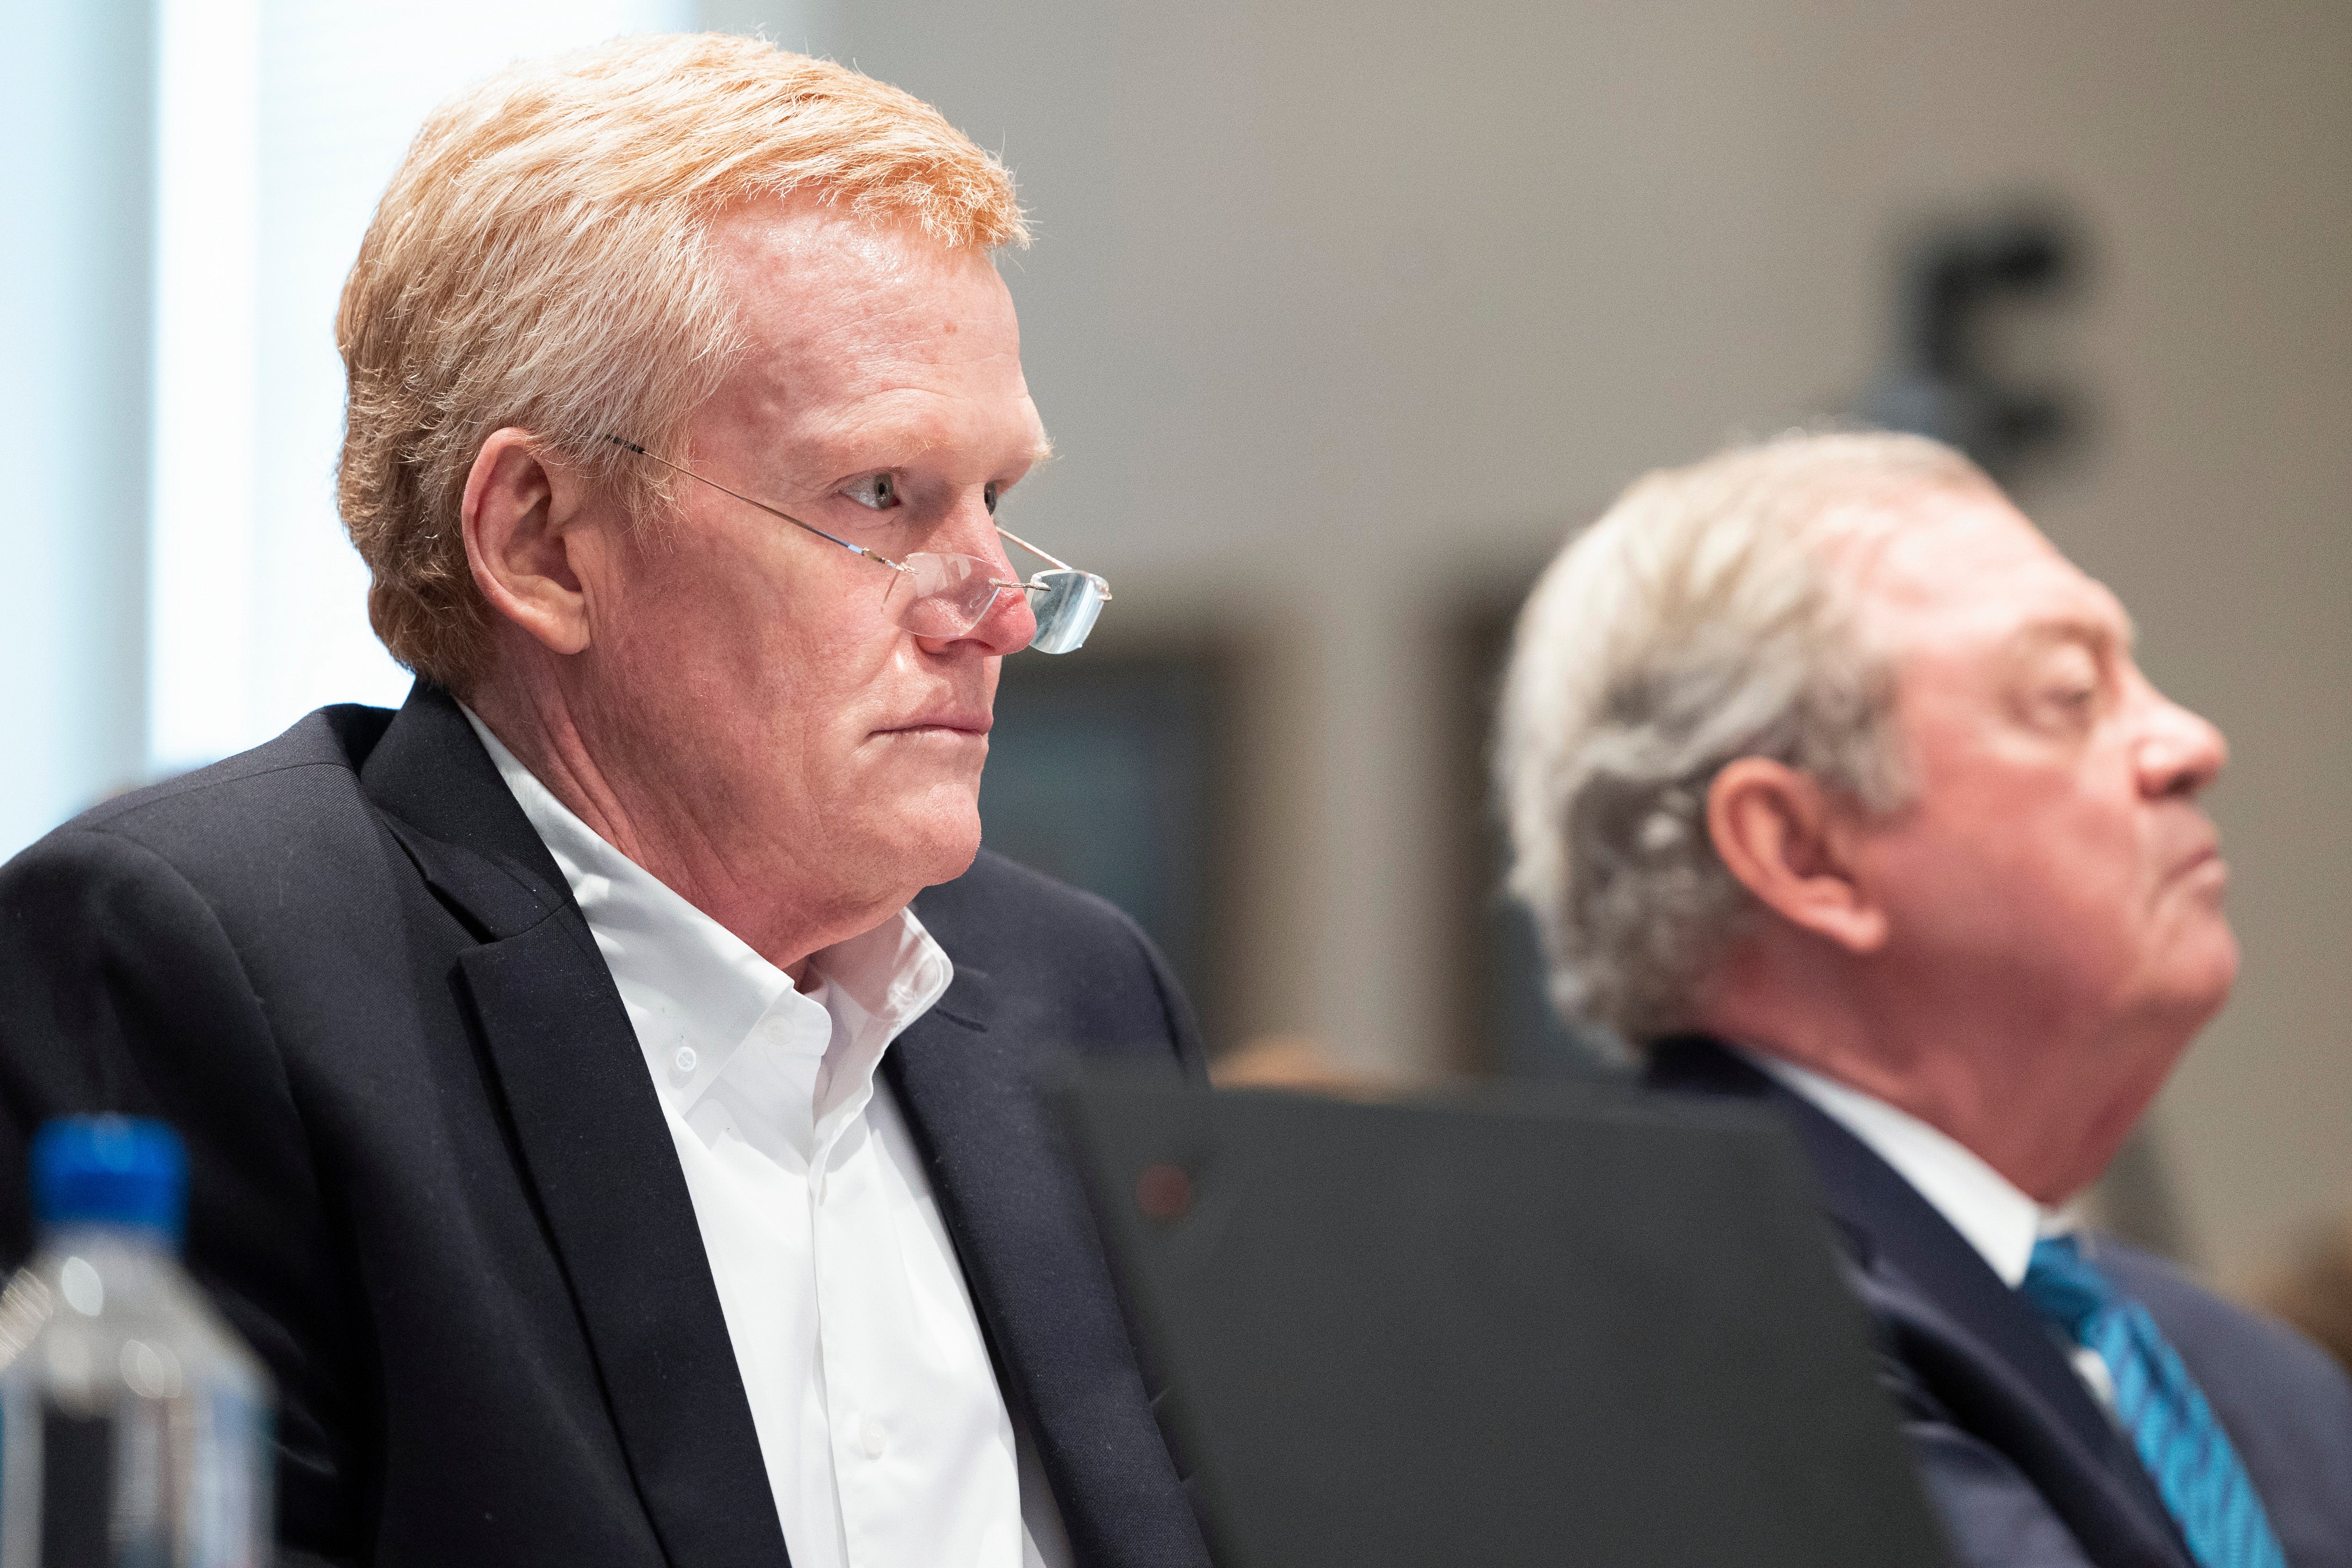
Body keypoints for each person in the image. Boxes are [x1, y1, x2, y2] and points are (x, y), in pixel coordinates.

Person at [0, 36, 1207, 1568]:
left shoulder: (1077, 993)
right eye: (881, 495)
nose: (1000, 609)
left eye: (1002, 502)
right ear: (543, 541)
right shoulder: (201, 960)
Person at [1496, 431, 2352, 1568]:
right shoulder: (1667, 1317)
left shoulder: (2251, 1374)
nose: (2191, 742)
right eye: (2069, 693)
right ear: (1803, 850)